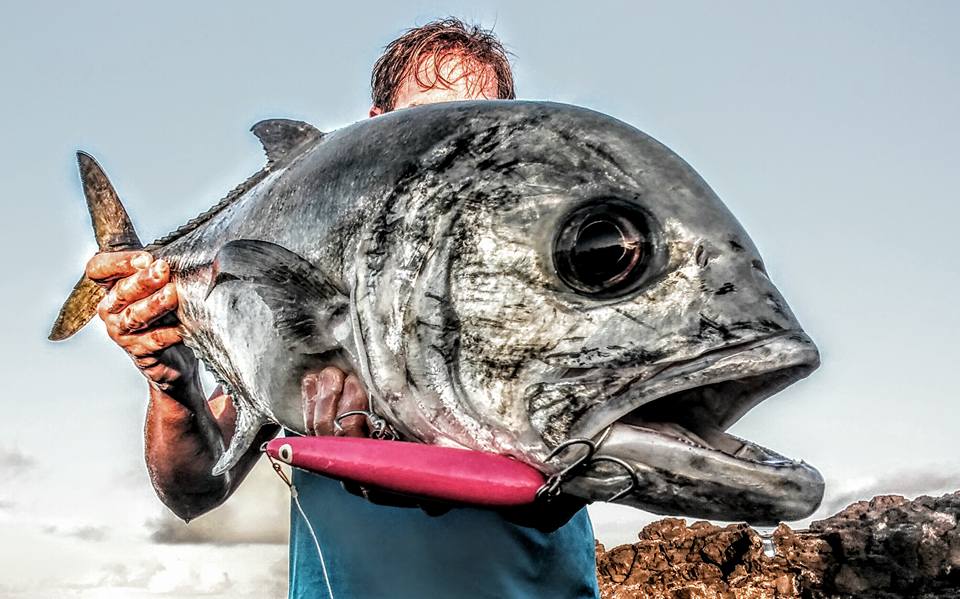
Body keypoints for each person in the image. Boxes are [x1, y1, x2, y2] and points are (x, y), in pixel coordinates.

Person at [86, 18, 600, 599]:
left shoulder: (548, 273)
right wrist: (173, 383)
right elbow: (193, 491)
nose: (448, 148)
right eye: (425, 121)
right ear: (376, 128)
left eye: (474, 123)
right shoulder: (307, 277)